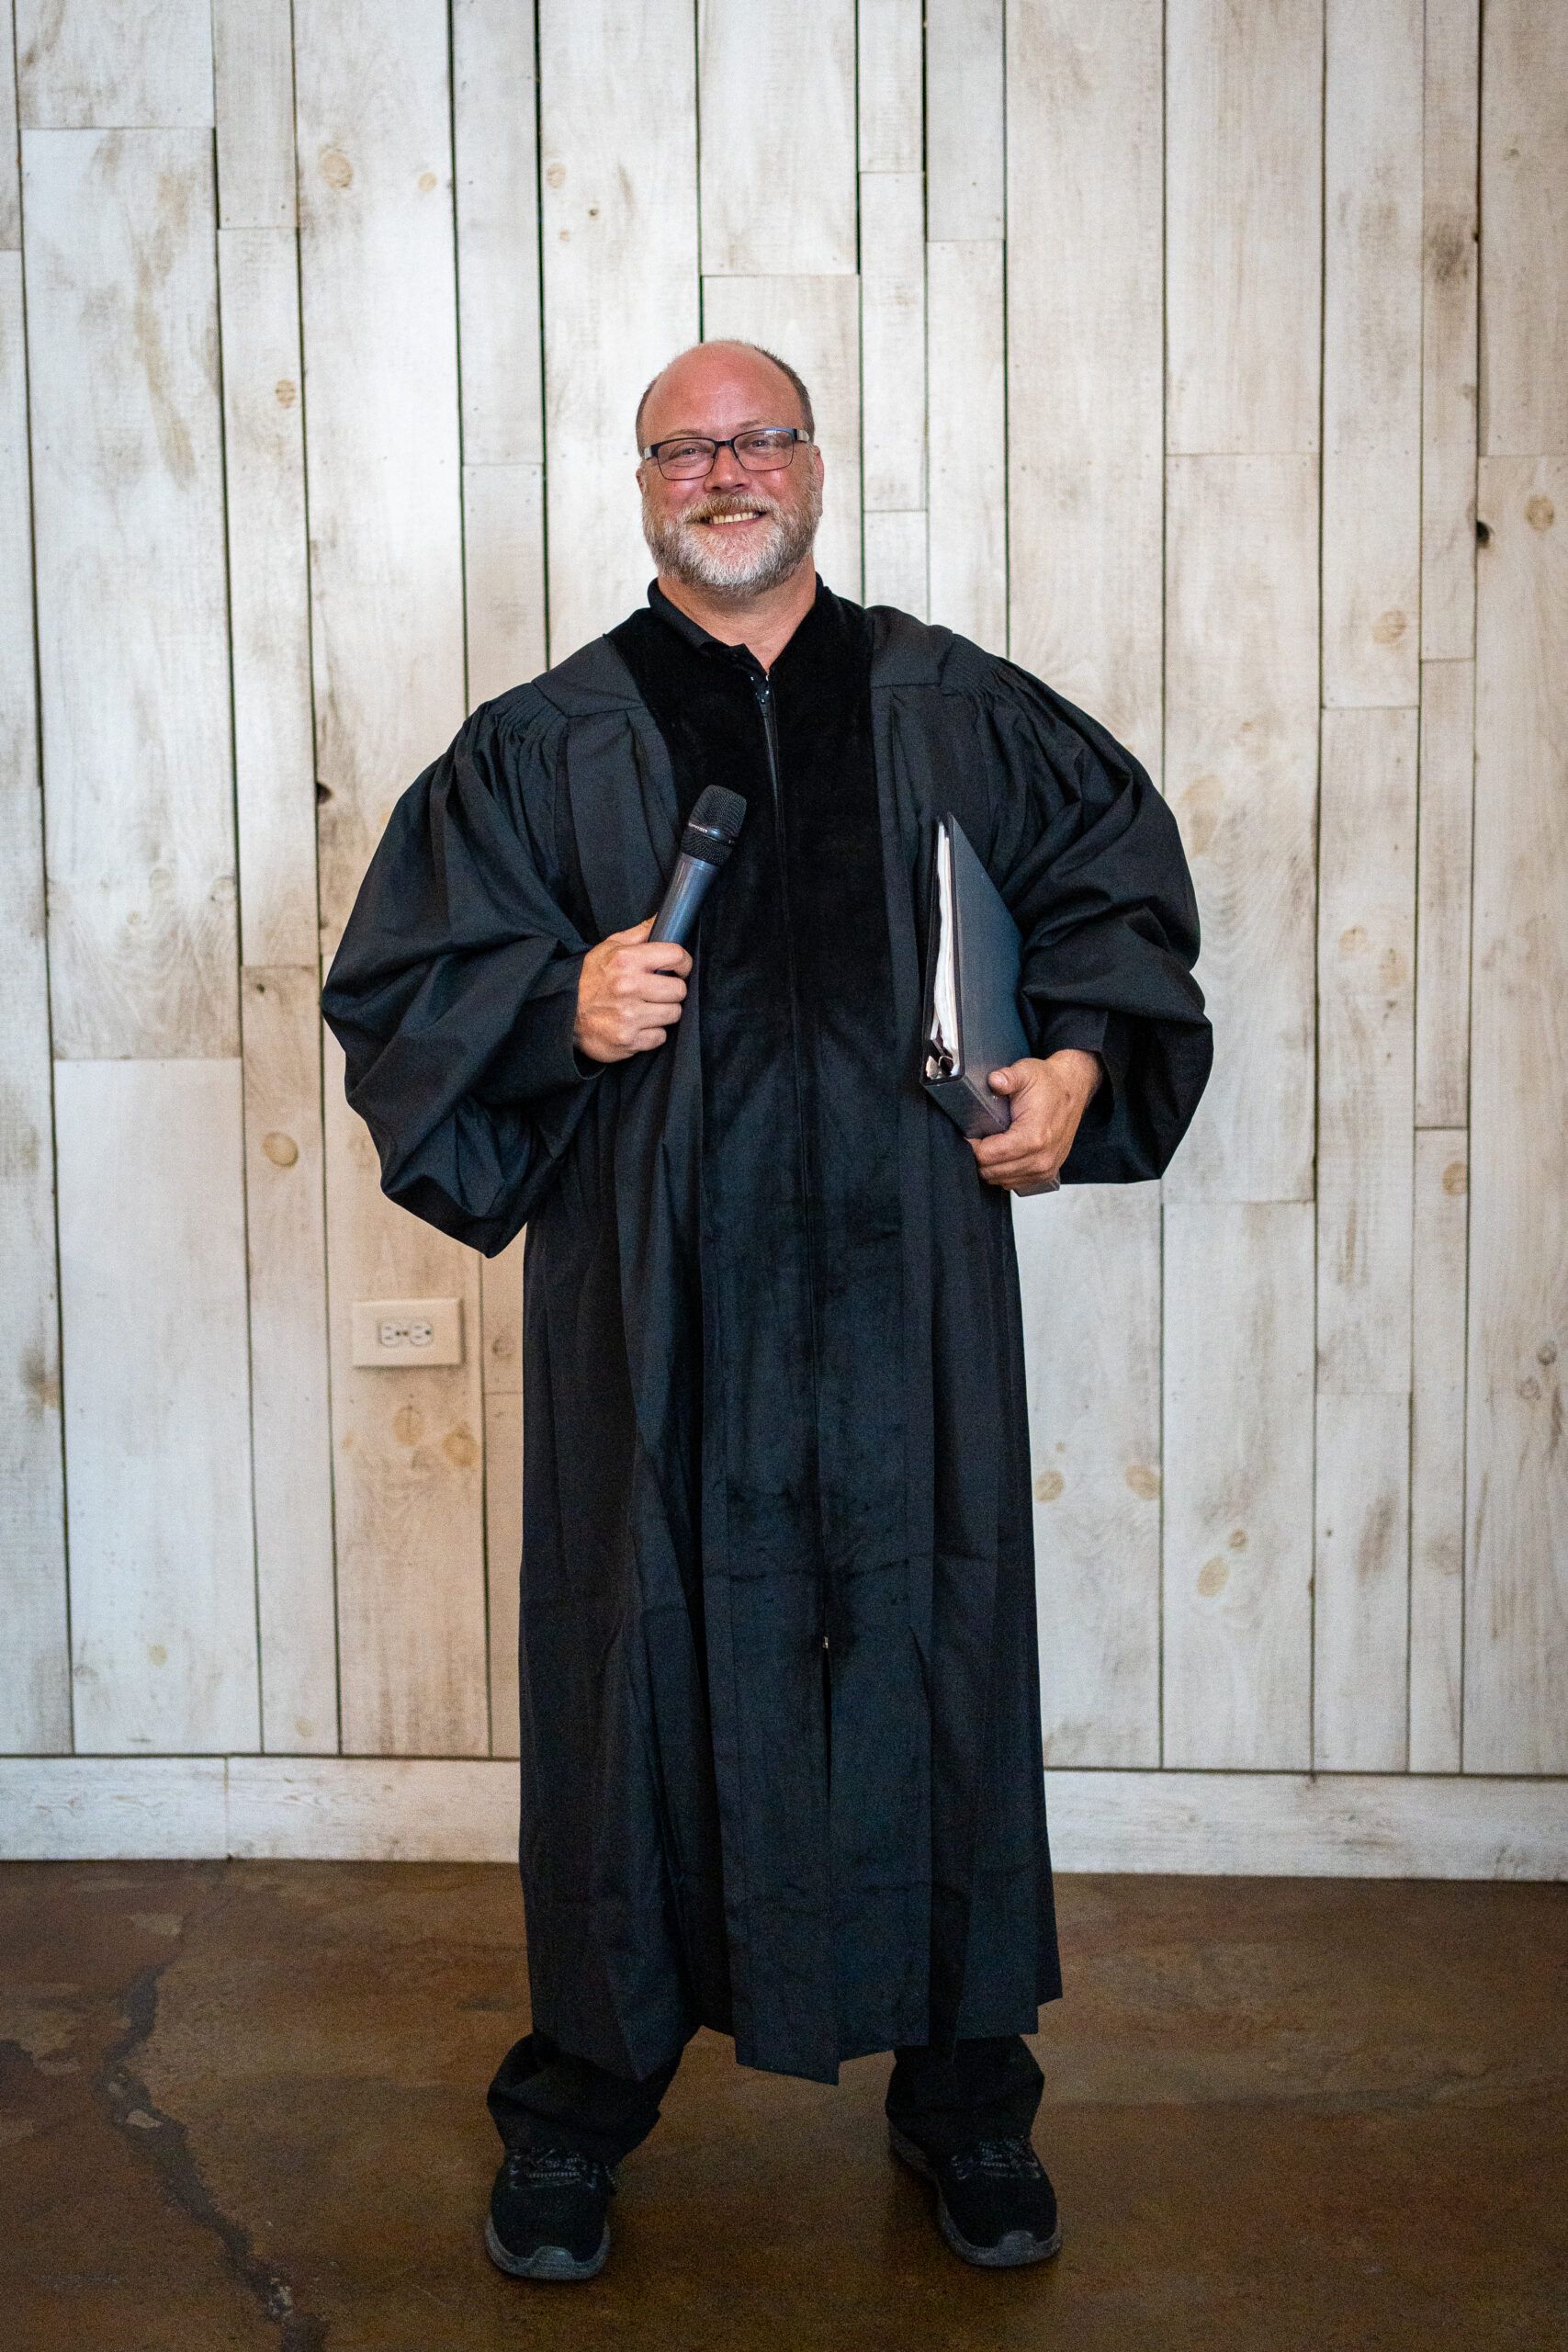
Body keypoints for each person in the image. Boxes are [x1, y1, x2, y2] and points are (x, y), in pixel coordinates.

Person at [321, 340, 1212, 2283]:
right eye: (685, 448)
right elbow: (399, 988)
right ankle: (578, 2106)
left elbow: (1113, 899)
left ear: (813, 462)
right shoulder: (541, 742)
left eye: (758, 438)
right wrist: (553, 1005)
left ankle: (965, 2101)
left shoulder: (958, 708)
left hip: (913, 1304)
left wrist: (1075, 1060)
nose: (725, 470)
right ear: (643, 483)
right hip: (657, 1320)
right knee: (631, 1674)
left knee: (936, 1652)